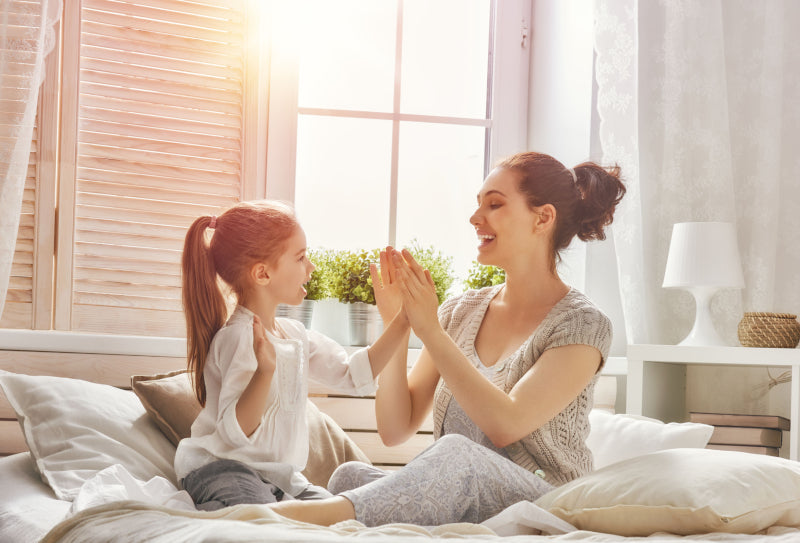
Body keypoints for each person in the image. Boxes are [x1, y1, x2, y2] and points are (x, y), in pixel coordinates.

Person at [267, 151, 626, 527]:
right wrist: (398, 323)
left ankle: (295, 518)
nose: (475, 218)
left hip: (545, 502)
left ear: (543, 217)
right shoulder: (462, 311)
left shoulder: (582, 324)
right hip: (466, 492)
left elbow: (506, 424)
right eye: (477, 204)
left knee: (457, 453)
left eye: (495, 204)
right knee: (349, 476)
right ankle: (327, 515)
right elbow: (395, 429)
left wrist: (431, 331)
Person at [174, 200, 409, 510]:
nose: (310, 268)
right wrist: (264, 372)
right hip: (222, 469)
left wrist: (404, 319)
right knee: (265, 520)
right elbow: (236, 431)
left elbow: (354, 375)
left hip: (280, 478)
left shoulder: (294, 334)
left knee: (338, 515)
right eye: (300, 258)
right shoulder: (237, 337)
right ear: (262, 274)